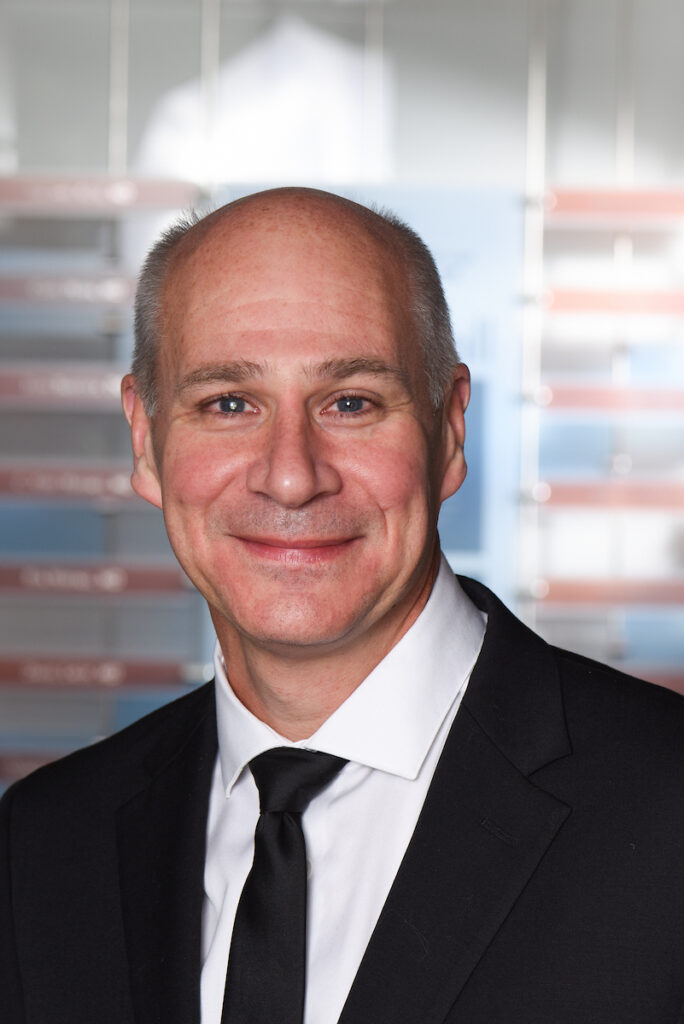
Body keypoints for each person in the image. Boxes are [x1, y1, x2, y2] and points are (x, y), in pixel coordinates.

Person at [1, 188, 683, 1024]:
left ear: (450, 430)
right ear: (145, 440)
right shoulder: (41, 847)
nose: (291, 474)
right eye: (229, 404)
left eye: (351, 402)